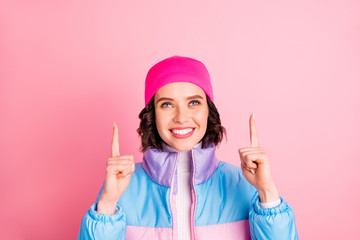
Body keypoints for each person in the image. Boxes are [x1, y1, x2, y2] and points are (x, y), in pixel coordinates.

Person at [77, 56, 298, 240]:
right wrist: (107, 205)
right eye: (167, 104)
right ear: (152, 115)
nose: (182, 117)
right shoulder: (121, 188)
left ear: (208, 110)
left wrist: (267, 192)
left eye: (193, 102)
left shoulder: (245, 184)